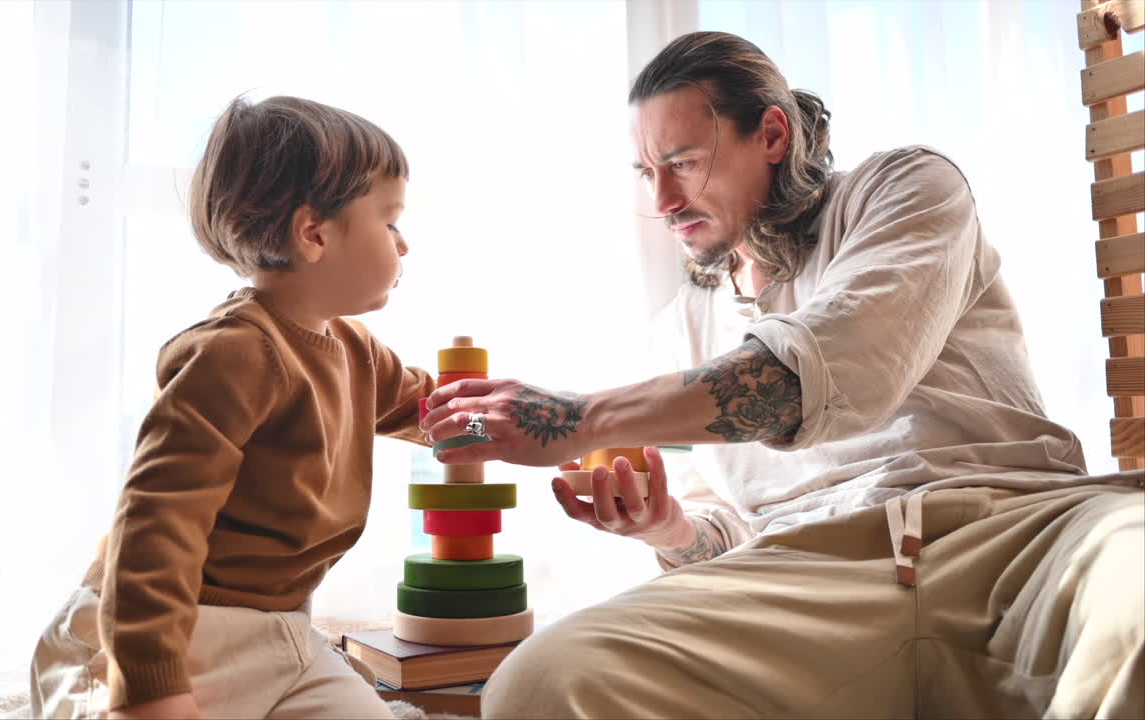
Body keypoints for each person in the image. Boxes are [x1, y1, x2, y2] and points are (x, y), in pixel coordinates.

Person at [421, 32, 1144, 718]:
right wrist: (667, 527)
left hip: (1014, 534)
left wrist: (577, 419)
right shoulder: (685, 323)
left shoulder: (903, 188)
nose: (663, 201)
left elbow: (822, 369)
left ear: (771, 135)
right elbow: (726, 532)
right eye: (649, 173)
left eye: (683, 162)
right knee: (542, 683)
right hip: (809, 577)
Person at [29, 95, 432, 719]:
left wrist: (517, 420)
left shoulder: (353, 350)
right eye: (390, 221)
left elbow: (437, 409)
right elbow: (153, 530)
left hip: (281, 633)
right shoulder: (234, 355)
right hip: (165, 629)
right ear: (314, 233)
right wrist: (151, 687)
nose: (403, 246)